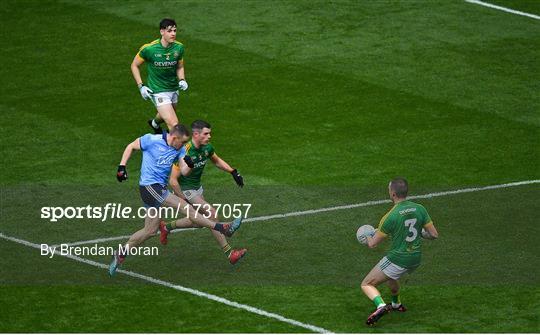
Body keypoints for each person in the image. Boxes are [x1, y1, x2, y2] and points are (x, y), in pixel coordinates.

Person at [109, 124, 243, 276]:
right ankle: (222, 227)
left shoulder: (179, 148)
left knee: (150, 230)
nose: (184, 145)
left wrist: (190, 165)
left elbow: (184, 171)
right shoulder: (151, 140)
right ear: (174, 138)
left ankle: (121, 253)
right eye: (182, 142)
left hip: (159, 189)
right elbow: (131, 146)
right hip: (149, 187)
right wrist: (122, 166)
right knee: (187, 208)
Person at [160, 120, 246, 265]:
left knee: (200, 222)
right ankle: (229, 252)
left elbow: (216, 160)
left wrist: (233, 171)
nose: (209, 136)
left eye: (209, 133)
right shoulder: (185, 151)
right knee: (211, 214)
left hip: (197, 188)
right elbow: (173, 180)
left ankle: (166, 227)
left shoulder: (207, 147)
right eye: (206, 134)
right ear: (196, 134)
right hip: (186, 191)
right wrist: (183, 200)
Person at [360, 178, 438, 325]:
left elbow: (373, 244)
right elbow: (434, 234)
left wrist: (367, 235)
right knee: (392, 276)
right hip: (415, 259)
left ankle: (381, 306)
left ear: (393, 193)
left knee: (367, 284)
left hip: (399, 259)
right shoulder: (420, 208)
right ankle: (396, 304)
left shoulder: (390, 217)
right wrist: (420, 232)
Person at [131, 18, 188, 133]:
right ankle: (174, 149)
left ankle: (154, 124)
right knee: (173, 123)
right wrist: (141, 86)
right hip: (157, 90)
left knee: (164, 115)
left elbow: (180, 66)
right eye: (169, 31)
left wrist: (182, 79)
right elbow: (134, 65)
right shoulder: (149, 49)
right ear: (162, 32)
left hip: (173, 88)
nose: (173, 34)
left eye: (175, 31)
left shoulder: (179, 47)